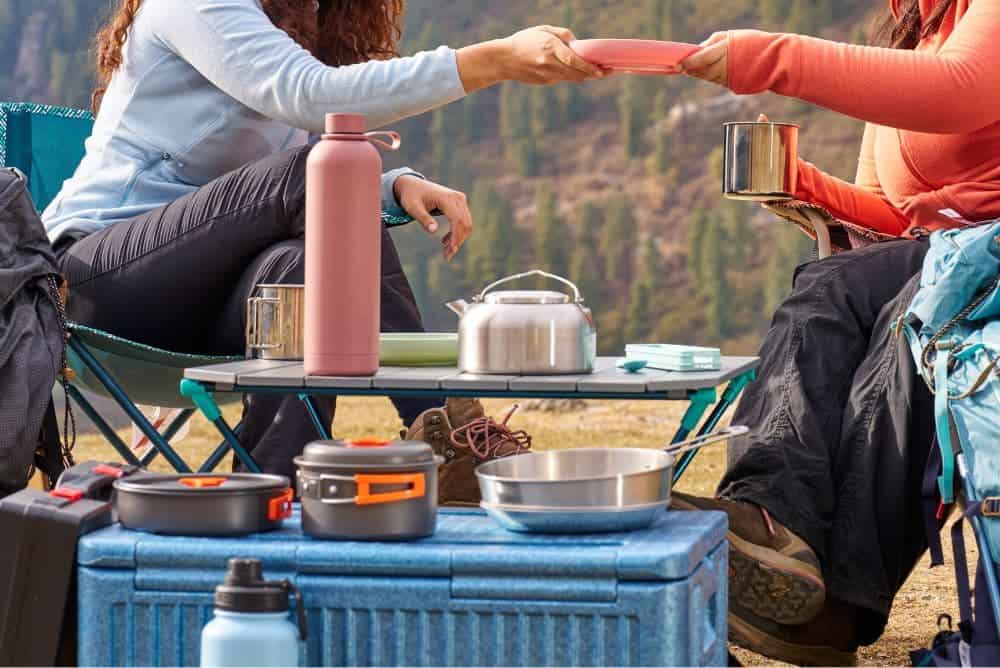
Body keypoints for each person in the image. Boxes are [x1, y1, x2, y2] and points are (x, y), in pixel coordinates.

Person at [44, 0, 604, 483]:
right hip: (97, 282)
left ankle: (272, 493)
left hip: (210, 301)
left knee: (303, 267)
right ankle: (450, 431)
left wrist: (390, 187)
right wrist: (492, 61)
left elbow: (277, 192)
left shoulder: (297, 20)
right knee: (319, 169)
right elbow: (309, 101)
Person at [676, 0, 1000, 663]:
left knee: (908, 324)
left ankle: (839, 609)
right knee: (825, 287)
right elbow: (889, 211)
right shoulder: (917, 34)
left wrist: (767, 59)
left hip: (983, 258)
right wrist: (801, 184)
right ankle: (772, 524)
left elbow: (960, 93)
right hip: (939, 258)